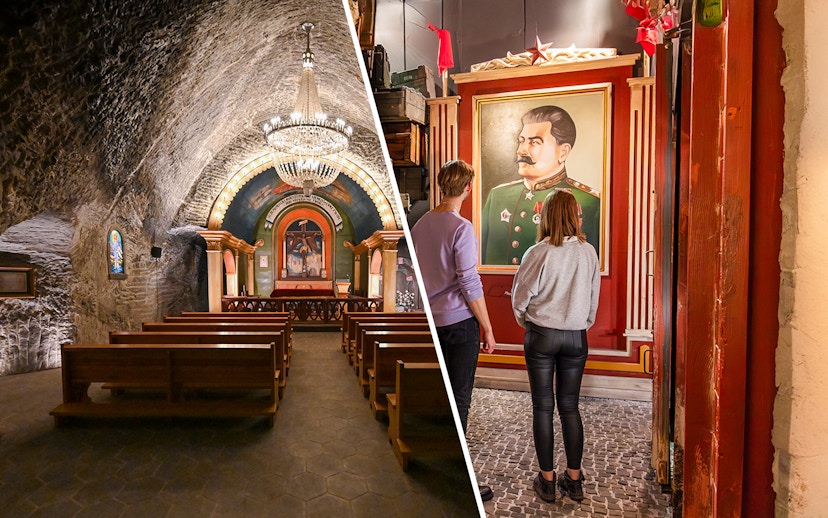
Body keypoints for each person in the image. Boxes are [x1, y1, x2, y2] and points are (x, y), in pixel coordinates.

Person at [410, 159, 498, 502]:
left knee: (437, 395)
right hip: (459, 325)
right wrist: (488, 328)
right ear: (467, 189)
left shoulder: (419, 226)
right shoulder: (461, 227)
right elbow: (469, 282)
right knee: (459, 399)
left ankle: (435, 462)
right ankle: (459, 478)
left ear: (441, 186)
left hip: (431, 321)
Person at [510, 189, 600, 503]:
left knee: (543, 408)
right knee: (570, 408)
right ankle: (574, 480)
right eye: (578, 212)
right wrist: (578, 324)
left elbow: (520, 299)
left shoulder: (538, 252)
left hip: (542, 335)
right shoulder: (589, 252)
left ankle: (547, 481)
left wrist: (529, 323)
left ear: (547, 216)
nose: (581, 216)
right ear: (572, 216)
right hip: (576, 336)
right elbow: (592, 302)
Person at [481, 105, 600, 266]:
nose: (521, 150)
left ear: (563, 152)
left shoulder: (591, 202)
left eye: (534, 142)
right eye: (521, 141)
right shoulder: (498, 196)